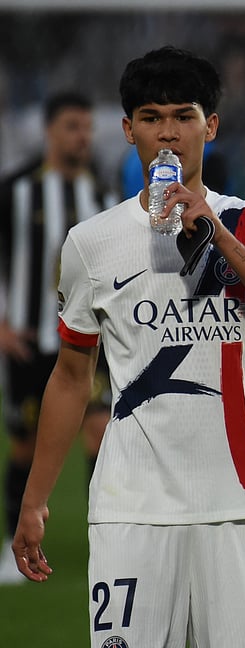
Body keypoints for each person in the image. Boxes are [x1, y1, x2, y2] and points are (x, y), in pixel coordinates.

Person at [11, 45, 245, 648]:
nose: (169, 132)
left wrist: (218, 234)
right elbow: (72, 377)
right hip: (131, 510)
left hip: (232, 503)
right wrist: (34, 499)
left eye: (184, 114)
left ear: (212, 125)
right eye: (151, 116)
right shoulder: (91, 243)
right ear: (128, 130)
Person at [0, 91, 117, 584]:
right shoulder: (16, 190)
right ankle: (13, 547)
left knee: (101, 433)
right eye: (72, 126)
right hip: (32, 340)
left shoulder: (106, 194)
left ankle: (108, 542)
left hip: (90, 345)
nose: (82, 136)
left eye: (87, 127)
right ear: (50, 131)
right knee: (26, 445)